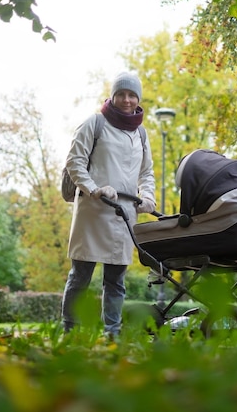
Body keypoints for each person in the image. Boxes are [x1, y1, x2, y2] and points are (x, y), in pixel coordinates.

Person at [61, 71, 157, 337]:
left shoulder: (141, 134)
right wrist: (93, 189)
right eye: (121, 94)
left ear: (138, 98)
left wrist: (148, 196)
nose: (126, 100)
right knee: (80, 276)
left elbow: (146, 172)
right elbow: (74, 162)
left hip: (124, 213)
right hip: (93, 210)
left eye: (131, 95)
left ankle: (111, 334)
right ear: (113, 96)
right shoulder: (95, 123)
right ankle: (70, 330)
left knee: (116, 280)